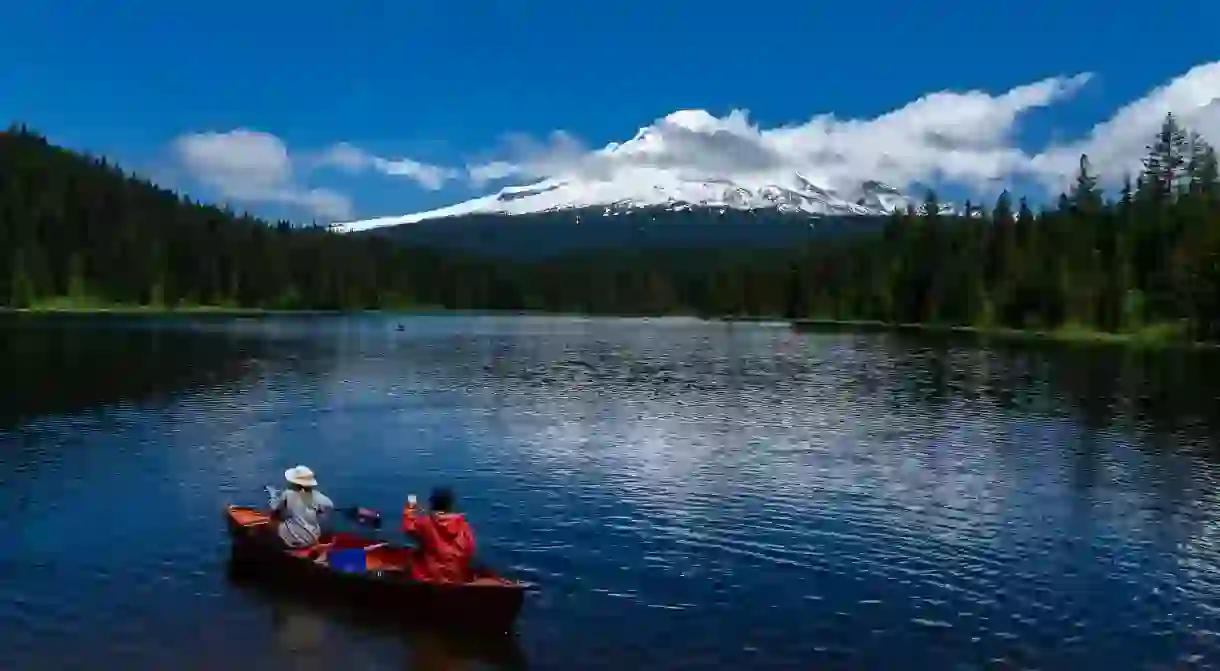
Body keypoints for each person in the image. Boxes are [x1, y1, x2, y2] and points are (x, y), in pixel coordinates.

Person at [401, 486, 477, 583]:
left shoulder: (425, 523)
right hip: (455, 578)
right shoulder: (463, 525)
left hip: (429, 578)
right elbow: (470, 549)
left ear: (431, 503)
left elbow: (408, 528)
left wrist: (410, 506)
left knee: (411, 554)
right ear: (450, 505)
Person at [266, 465, 335, 551]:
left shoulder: (288, 494)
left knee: (272, 518)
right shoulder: (321, 498)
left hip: (290, 539)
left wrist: (273, 498)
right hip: (312, 539)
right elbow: (328, 509)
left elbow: (275, 510)